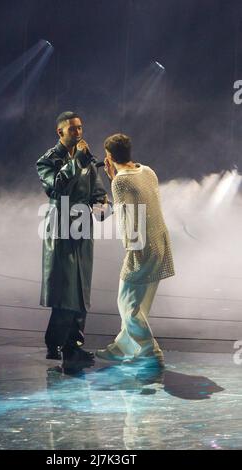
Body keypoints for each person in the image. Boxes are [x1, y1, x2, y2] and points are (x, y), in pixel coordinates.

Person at [96, 133, 175, 367]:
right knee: (140, 304)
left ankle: (150, 351)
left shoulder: (120, 181)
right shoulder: (148, 171)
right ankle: (123, 347)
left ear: (108, 156)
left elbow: (125, 216)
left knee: (127, 304)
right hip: (161, 242)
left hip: (143, 247)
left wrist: (131, 250)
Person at [36, 111, 108, 366]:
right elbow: (56, 186)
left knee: (80, 289)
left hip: (82, 227)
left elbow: (98, 193)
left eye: (80, 128)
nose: (78, 133)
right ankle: (61, 343)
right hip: (61, 227)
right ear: (60, 132)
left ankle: (69, 344)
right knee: (65, 289)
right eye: (73, 129)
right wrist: (76, 161)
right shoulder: (48, 160)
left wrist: (101, 206)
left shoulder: (87, 161)